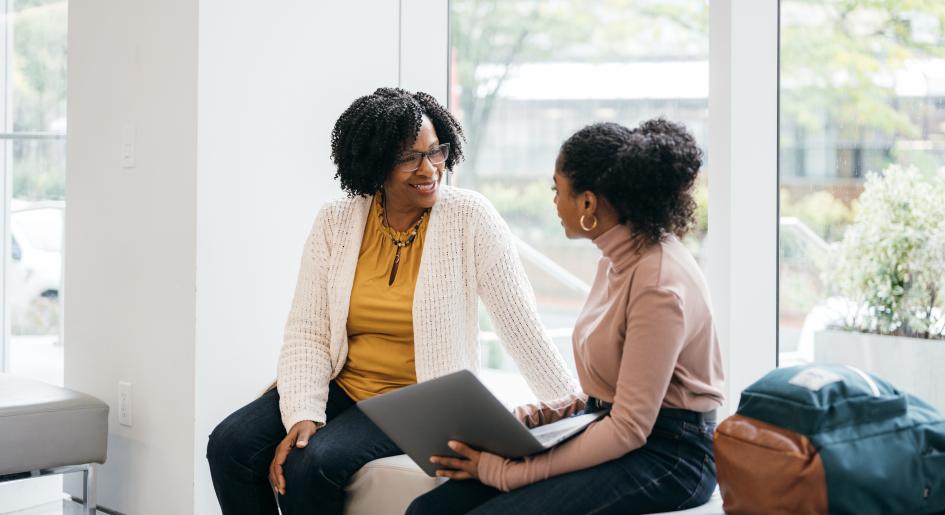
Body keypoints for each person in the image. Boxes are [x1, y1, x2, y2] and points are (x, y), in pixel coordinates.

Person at [205, 88, 576, 515]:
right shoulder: (336, 221)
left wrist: (576, 415)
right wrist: (304, 413)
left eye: (436, 151)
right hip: (343, 383)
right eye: (408, 157)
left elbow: (520, 326)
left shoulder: (470, 217)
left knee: (314, 462)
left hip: (417, 399)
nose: (429, 168)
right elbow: (307, 329)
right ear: (374, 161)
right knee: (229, 445)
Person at [408, 119, 725, 515]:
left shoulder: (658, 283)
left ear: (588, 203)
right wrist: (528, 419)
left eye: (557, 190)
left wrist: (507, 473)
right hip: (612, 425)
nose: (554, 202)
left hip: (672, 455)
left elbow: (628, 427)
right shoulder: (618, 259)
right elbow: (610, 396)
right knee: (430, 510)